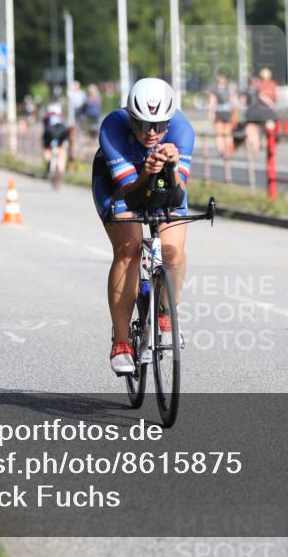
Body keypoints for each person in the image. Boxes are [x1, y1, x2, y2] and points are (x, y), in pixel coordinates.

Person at [91, 78, 193, 374]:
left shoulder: (183, 130)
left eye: (159, 125)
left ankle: (165, 313)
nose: (152, 132)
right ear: (131, 117)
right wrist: (146, 173)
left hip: (163, 185)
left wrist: (172, 167)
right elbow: (131, 194)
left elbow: (178, 194)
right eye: (144, 124)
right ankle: (121, 341)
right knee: (130, 250)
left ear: (169, 121)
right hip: (119, 188)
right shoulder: (113, 127)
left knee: (173, 251)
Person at [245, 67, 278, 157]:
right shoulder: (273, 84)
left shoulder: (258, 84)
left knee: (254, 130)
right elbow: (276, 97)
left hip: (257, 112)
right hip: (269, 112)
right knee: (269, 130)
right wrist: (272, 105)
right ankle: (270, 146)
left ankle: (256, 147)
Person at [207, 72, 238, 166]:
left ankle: (221, 150)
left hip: (219, 112)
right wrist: (235, 112)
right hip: (227, 112)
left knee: (219, 132)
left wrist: (211, 113)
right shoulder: (230, 88)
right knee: (228, 133)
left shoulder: (214, 89)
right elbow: (234, 101)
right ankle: (228, 150)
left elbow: (212, 102)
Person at [42, 100, 70, 178]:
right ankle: (60, 170)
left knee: (48, 151)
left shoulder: (47, 118)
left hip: (50, 138)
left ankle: (51, 165)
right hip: (60, 137)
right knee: (61, 152)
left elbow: (45, 132)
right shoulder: (61, 118)